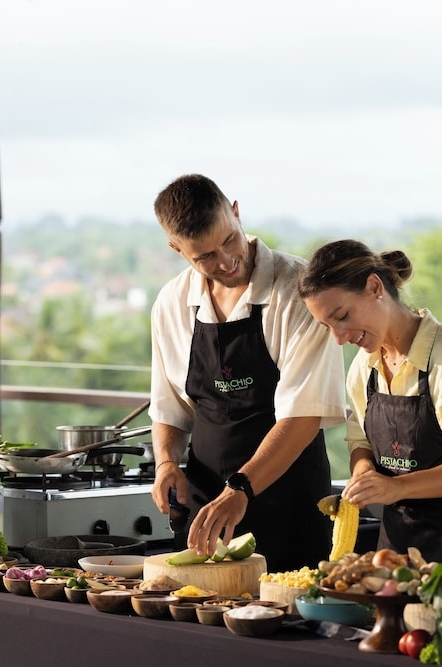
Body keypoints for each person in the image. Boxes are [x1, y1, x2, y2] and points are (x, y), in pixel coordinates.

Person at [147, 174, 347, 572]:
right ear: (176, 249)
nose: (225, 261)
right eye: (204, 256)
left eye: (229, 240)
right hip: (205, 510)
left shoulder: (297, 291)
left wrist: (240, 488)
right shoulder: (171, 303)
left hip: (289, 506)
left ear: (236, 213)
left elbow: (303, 416)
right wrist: (167, 463)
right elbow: (169, 406)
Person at [297, 239, 442, 562]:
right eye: (327, 327)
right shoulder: (362, 369)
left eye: (342, 316)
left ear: (374, 287)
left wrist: (397, 487)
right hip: (394, 559)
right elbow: (360, 442)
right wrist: (364, 473)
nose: (339, 338)